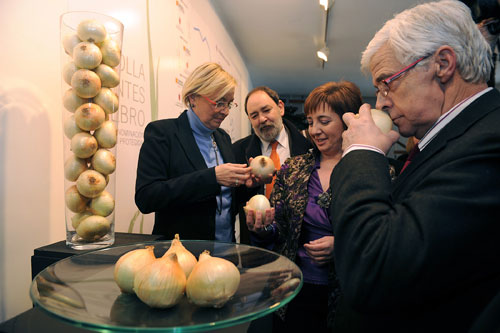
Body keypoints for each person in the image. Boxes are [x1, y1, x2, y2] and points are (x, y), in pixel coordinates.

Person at [327, 1, 500, 332]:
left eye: (386, 82)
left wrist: (363, 151)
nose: (380, 102)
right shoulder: (448, 138)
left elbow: (375, 268)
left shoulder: (490, 142)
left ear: (443, 64)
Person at [246, 81, 365, 332]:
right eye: (310, 123)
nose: (315, 130)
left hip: (349, 295)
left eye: (324, 121)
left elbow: (384, 236)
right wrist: (262, 228)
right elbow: (279, 229)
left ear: (347, 121)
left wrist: (342, 246)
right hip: (294, 290)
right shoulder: (294, 168)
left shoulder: (371, 170)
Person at [135, 62, 251, 241]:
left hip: (225, 252)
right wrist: (212, 177)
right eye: (219, 103)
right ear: (192, 98)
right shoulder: (163, 134)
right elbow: (147, 197)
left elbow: (225, 202)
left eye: (229, 104)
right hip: (181, 255)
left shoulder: (223, 138)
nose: (226, 111)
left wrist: (248, 184)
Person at [233, 86, 312, 244]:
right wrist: (247, 185)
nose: (262, 119)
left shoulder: (309, 146)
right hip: (256, 245)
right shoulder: (237, 151)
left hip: (301, 244)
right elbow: (231, 202)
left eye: (266, 110)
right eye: (254, 115)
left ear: (281, 108)